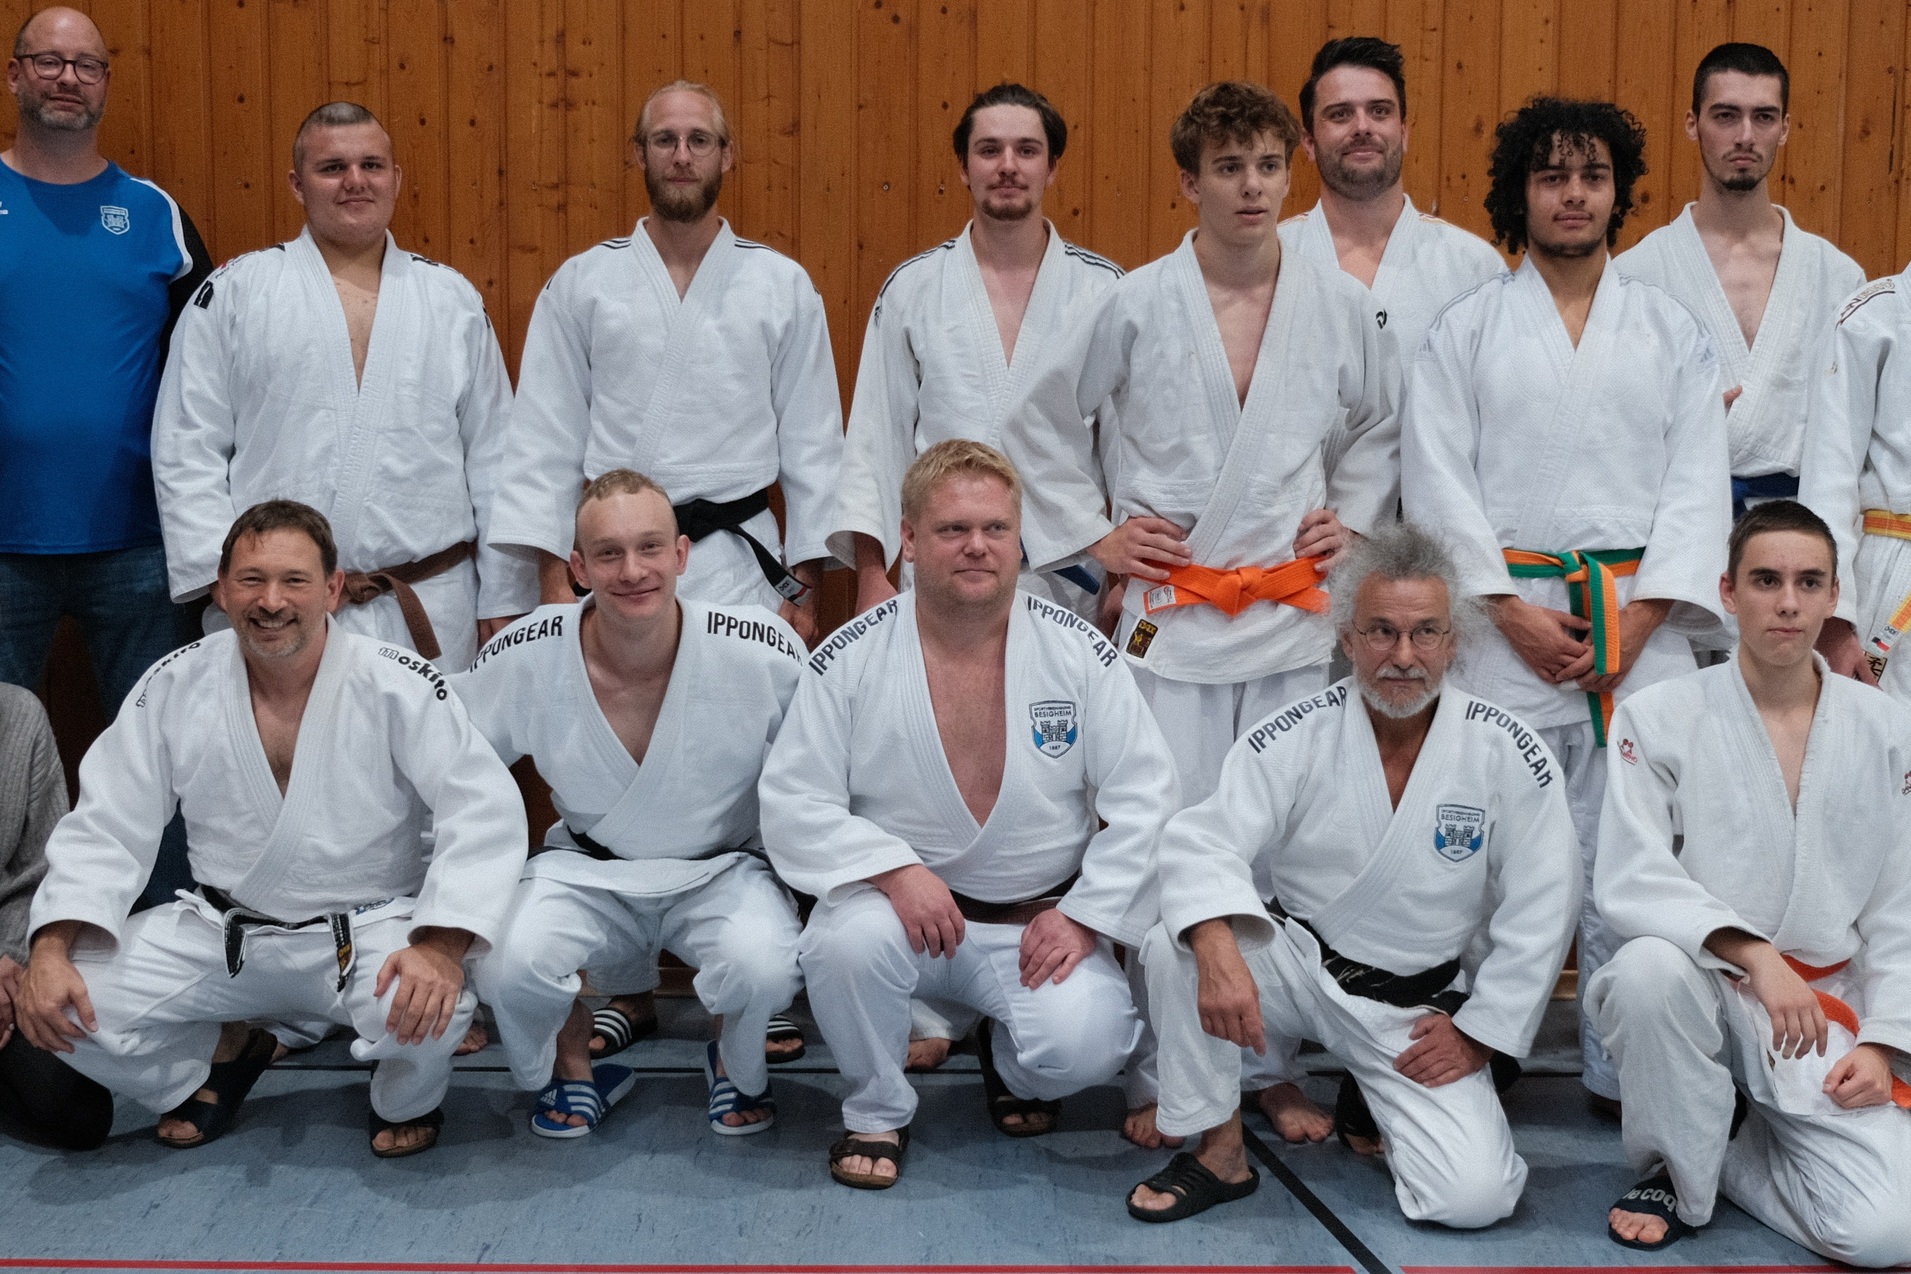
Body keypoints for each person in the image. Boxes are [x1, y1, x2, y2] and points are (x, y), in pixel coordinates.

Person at [998, 82, 1397, 1144]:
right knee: (1161, 844)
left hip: (1288, 617)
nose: (1253, 186)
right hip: (1170, 625)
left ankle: (1266, 1066)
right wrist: (1093, 539)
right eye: (1229, 168)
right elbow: (1038, 422)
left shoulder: (1341, 305)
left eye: (1269, 165)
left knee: (1274, 853)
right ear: (1190, 181)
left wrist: (1348, 520)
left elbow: (1377, 426)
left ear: (1290, 171)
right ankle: (1156, 1073)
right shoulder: (1131, 302)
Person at [14, 501, 527, 1157]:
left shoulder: (396, 682)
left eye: (293, 580)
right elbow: (108, 825)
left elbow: (479, 809)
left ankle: (402, 1098)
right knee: (57, 998)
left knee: (437, 1004)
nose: (271, 600)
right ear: (222, 589)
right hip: (224, 935)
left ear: (333, 589)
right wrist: (53, 948)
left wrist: (441, 944)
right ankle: (212, 1061)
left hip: (366, 933)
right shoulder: (176, 684)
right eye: (251, 580)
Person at [1401, 97, 1731, 1108]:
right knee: (1492, 839)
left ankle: (1621, 1057)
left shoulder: (1673, 329)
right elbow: (1434, 476)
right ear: (1520, 194)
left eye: (1591, 175)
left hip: (1643, 625)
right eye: (1552, 176)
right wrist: (1504, 608)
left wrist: (1641, 618)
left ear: (1619, 190)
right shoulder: (1464, 328)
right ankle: (1482, 1043)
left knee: (1637, 843)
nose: (1574, 193)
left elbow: (1698, 479)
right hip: (1510, 627)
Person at [1126, 523, 1578, 1227]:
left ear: (1453, 643)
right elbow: (1202, 839)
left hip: (1412, 1011)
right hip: (1298, 970)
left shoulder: (1505, 750)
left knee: (1472, 1202)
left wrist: (1482, 1029)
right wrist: (1214, 946)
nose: (1402, 656)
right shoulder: (1294, 733)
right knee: (1174, 946)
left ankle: (1373, 1095)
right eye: (1380, 632)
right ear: (1344, 638)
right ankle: (1218, 1153)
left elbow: (1544, 904)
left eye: (1424, 633)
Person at [761, 440, 1175, 1189]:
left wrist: (1086, 915)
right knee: (841, 943)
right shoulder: (849, 658)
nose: (977, 546)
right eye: (952, 529)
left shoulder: (1079, 653)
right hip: (902, 917)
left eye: (996, 528)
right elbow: (794, 800)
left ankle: (1010, 1061)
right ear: (910, 540)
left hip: (1034, 924)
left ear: (1021, 540)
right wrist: (891, 869)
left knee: (1087, 1048)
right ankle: (876, 1110)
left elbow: (1146, 798)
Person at [1590, 501, 1911, 1264]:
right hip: (1707, 980)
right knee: (1641, 970)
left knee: (1882, 1236)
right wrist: (1752, 953)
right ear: (1728, 593)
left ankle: (1727, 1147)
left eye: (1808, 582)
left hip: (1824, 1008)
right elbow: (1631, 876)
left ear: (1836, 596)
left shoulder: (1885, 726)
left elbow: (1900, 904)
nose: (1788, 603)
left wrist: (1885, 1044)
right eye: (1765, 580)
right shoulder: (1656, 713)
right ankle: (1673, 1166)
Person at [457, 470, 804, 1140]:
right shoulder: (528, 650)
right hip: (586, 872)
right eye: (609, 554)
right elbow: (453, 765)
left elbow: (817, 773)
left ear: (681, 555)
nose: (632, 570)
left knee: (765, 966)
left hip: (722, 868)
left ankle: (732, 1055)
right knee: (505, 962)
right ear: (578, 568)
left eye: (650, 548)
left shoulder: (759, 646)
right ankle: (574, 1059)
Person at [152, 101, 534, 674]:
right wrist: (219, 576)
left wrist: (503, 592)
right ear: (297, 184)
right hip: (277, 606)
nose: (355, 181)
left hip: (427, 598)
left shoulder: (450, 298)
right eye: (332, 168)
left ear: (396, 179)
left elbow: (496, 456)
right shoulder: (235, 293)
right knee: (281, 759)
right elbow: (187, 443)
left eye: (372, 165)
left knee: (424, 762)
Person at [496, 78, 842, 649]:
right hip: (615, 562)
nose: (682, 156)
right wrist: (553, 581)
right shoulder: (583, 284)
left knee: (742, 730)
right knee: (617, 725)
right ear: (638, 154)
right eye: (664, 140)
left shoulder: (781, 285)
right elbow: (543, 440)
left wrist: (804, 589)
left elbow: (815, 447)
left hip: (740, 567)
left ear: (727, 156)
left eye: (699, 140)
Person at [0, 6, 213, 905]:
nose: (66, 78)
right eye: (46, 61)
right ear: (14, 76)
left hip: (136, 542)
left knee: (158, 759)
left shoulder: (156, 216)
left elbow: (214, 368)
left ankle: (166, 952)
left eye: (85, 65)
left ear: (105, 84)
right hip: (3, 544)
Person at [833, 83, 1121, 622]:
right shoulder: (913, 288)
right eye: (989, 150)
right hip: (941, 569)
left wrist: (1128, 577)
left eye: (1027, 150)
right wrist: (873, 575)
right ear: (965, 168)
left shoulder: (1105, 292)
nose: (1007, 165)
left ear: (1052, 168)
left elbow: (1134, 452)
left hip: (1068, 574)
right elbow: (875, 441)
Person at [1614, 44, 1863, 521]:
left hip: (1804, 532)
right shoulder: (1638, 274)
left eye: (1764, 117)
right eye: (1726, 115)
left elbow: (1854, 436)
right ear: (1693, 124)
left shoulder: (1837, 276)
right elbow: (1616, 428)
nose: (1745, 136)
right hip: (1679, 528)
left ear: (1785, 128)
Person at [1280, 36, 1504, 363]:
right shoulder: (1271, 258)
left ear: (1404, 132)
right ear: (1309, 142)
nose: (1362, 127)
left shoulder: (1472, 268)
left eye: (1379, 111)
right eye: (1340, 114)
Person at [0, 683, 113, 1149]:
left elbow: (41, 871)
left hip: (2, 955)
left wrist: (7, 956)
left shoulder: (17, 713)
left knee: (77, 1114)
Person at [1797, 268, 1911, 695]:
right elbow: (1829, 476)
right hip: (1895, 561)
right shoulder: (1874, 314)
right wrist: (1834, 617)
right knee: (1888, 742)